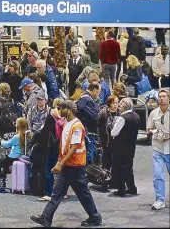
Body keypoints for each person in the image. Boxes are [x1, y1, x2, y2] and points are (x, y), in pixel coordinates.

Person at [30, 100, 102, 228]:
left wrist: (59, 164)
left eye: (61, 108)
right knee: (59, 193)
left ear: (69, 110)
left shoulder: (77, 126)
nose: (59, 110)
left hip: (75, 166)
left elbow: (74, 148)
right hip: (68, 165)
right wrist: (60, 162)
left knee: (82, 193)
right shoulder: (68, 124)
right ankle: (46, 218)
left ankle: (95, 216)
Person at [110, 98, 140, 197]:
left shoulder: (122, 118)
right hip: (131, 146)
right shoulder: (136, 116)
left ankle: (121, 190)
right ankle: (132, 188)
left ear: (123, 106)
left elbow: (113, 132)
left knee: (120, 168)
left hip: (120, 146)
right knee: (128, 167)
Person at [0, 117, 29, 193]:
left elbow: (7, 145)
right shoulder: (27, 135)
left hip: (13, 156)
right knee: (5, 167)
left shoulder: (16, 137)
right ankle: (2, 182)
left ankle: (0, 185)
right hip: (22, 156)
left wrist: (1, 140)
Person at [147, 89, 170, 210]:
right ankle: (160, 199)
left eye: (164, 96)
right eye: (160, 96)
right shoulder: (154, 113)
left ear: (168, 98)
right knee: (158, 175)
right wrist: (153, 131)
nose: (161, 98)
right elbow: (149, 129)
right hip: (158, 148)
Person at [0, 83, 17, 167]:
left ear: (0, 91)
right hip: (10, 128)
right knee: (9, 147)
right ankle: (10, 164)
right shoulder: (11, 101)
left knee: (2, 148)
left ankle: (4, 167)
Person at [97, 95, 120, 190]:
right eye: (113, 103)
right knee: (106, 162)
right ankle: (104, 181)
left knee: (115, 162)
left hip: (116, 142)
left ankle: (114, 180)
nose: (115, 105)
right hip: (106, 141)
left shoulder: (119, 112)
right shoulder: (103, 113)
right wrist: (99, 140)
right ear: (109, 103)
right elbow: (98, 126)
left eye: (117, 103)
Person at [77, 82, 101, 166]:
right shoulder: (88, 100)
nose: (99, 94)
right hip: (89, 131)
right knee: (90, 153)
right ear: (94, 90)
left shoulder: (83, 98)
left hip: (85, 129)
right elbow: (94, 117)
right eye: (99, 92)